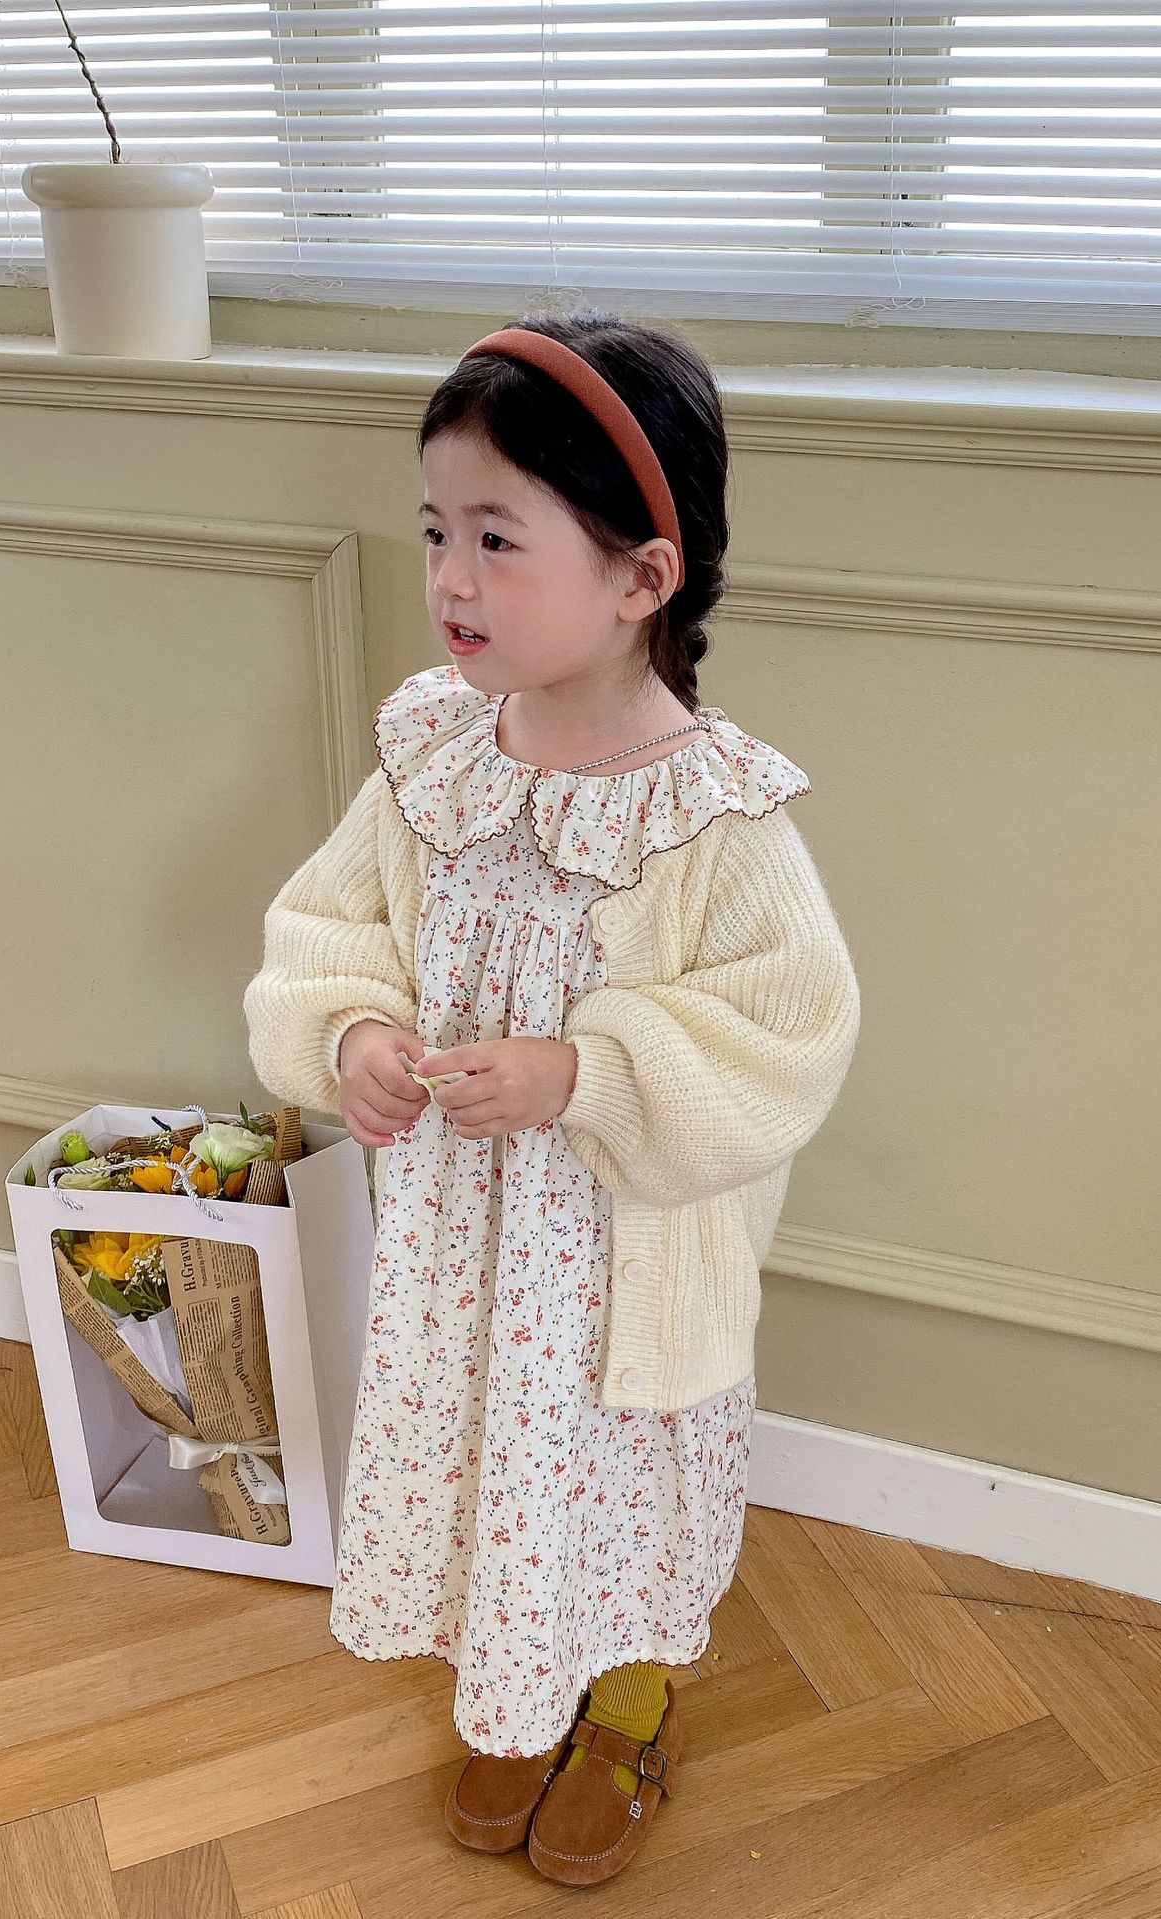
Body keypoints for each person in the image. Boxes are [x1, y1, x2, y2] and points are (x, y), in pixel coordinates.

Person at [242, 309, 861, 1888]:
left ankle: (630, 1704)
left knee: (614, 1479)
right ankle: (517, 1682)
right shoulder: (435, 762)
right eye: (436, 530)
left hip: (617, 1269)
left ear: (642, 577)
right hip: (465, 1250)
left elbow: (788, 1033)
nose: (451, 577)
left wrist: (590, 1072)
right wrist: (353, 1032)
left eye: (499, 538)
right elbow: (329, 926)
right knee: (491, 1468)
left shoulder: (716, 821)